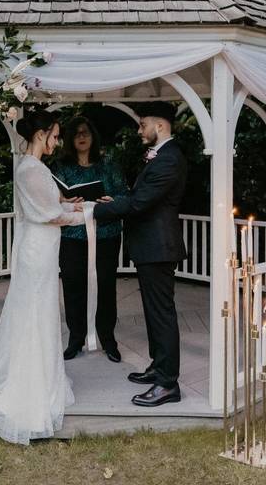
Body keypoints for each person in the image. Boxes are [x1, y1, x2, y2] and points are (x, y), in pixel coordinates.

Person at [0, 110, 88, 444]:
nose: (57, 142)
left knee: (41, 310)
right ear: (41, 134)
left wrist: (72, 205)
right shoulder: (30, 169)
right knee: (35, 312)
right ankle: (31, 382)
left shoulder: (36, 167)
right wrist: (87, 214)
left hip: (44, 248)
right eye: (55, 135)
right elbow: (48, 215)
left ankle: (43, 375)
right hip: (38, 248)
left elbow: (53, 205)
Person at [92, 102, 187, 407]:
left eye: (142, 124)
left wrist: (98, 208)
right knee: (154, 313)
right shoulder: (161, 157)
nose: (139, 130)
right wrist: (117, 199)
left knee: (162, 316)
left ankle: (168, 384)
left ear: (159, 126)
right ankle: (158, 368)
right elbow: (137, 199)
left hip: (158, 248)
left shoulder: (169, 159)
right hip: (151, 248)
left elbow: (139, 204)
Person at [52, 116, 129, 363]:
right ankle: (76, 339)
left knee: (106, 286)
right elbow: (51, 198)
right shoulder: (61, 166)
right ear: (70, 139)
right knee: (73, 286)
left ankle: (108, 339)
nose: (82, 137)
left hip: (105, 234)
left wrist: (112, 200)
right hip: (72, 236)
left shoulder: (108, 164)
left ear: (93, 136)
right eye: (76, 133)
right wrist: (64, 201)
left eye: (86, 132)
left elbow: (124, 194)